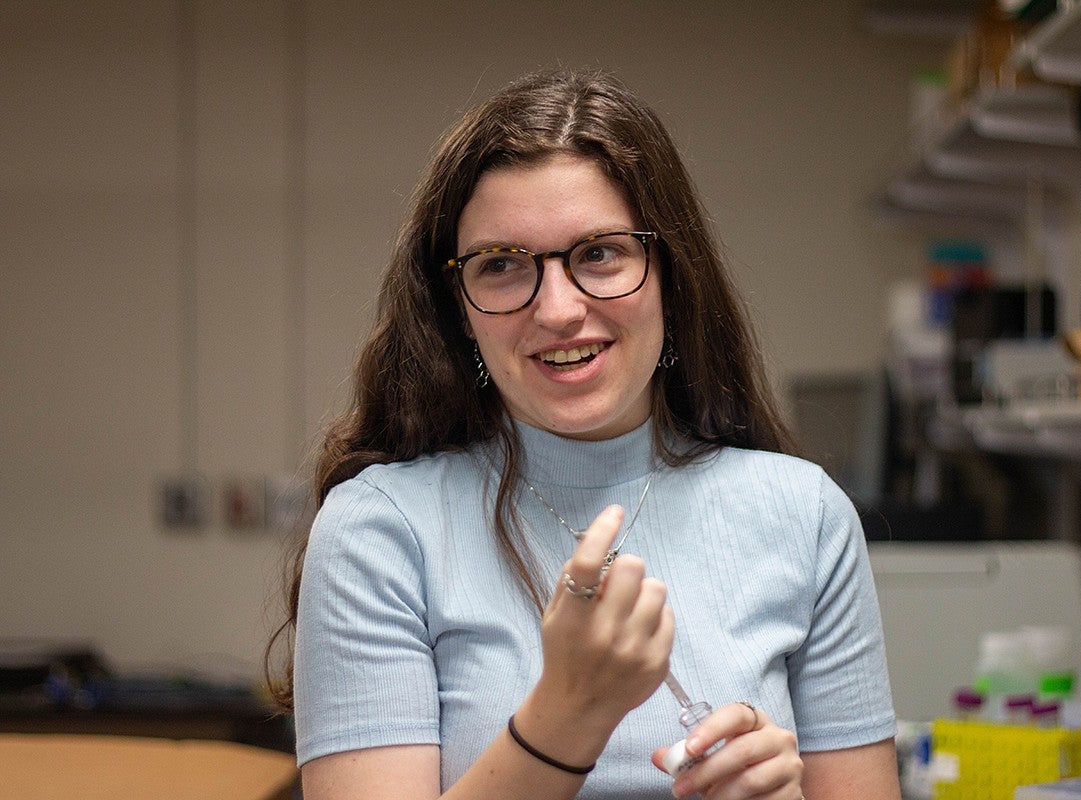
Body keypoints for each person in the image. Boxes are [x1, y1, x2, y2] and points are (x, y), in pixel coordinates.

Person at [268, 68, 900, 800]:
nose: (560, 310)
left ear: (670, 272)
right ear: (458, 309)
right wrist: (566, 717)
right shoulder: (380, 529)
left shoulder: (805, 514)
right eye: (502, 265)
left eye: (599, 253)